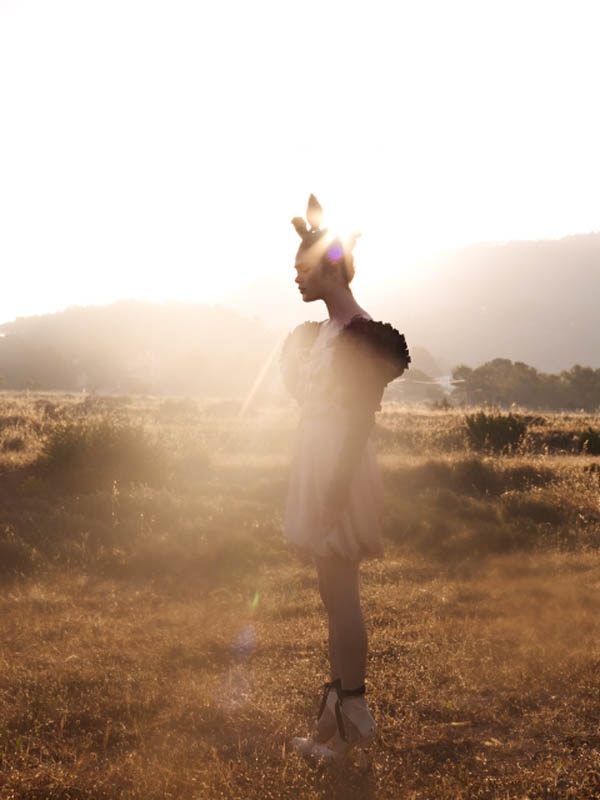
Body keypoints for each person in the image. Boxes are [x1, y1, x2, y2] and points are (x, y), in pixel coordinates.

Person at [281, 194, 410, 763]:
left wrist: (335, 485)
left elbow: (358, 420)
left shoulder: (361, 333)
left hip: (340, 465)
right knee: (331, 595)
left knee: (342, 592)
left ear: (331, 269)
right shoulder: (322, 333)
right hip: (316, 458)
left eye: (304, 270)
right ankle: (335, 724)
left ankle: (354, 711)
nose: (296, 279)